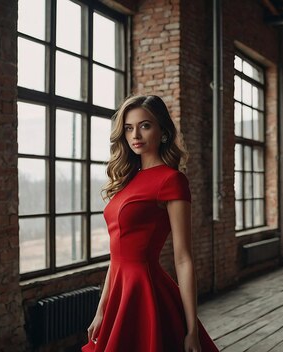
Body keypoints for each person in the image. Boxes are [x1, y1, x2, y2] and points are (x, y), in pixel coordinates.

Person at [82, 95, 219, 352]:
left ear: (163, 131)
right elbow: (117, 256)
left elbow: (183, 259)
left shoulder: (171, 181)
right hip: (119, 294)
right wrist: (101, 310)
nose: (136, 135)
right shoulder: (127, 179)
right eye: (129, 128)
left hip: (145, 292)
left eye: (145, 126)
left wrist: (191, 330)